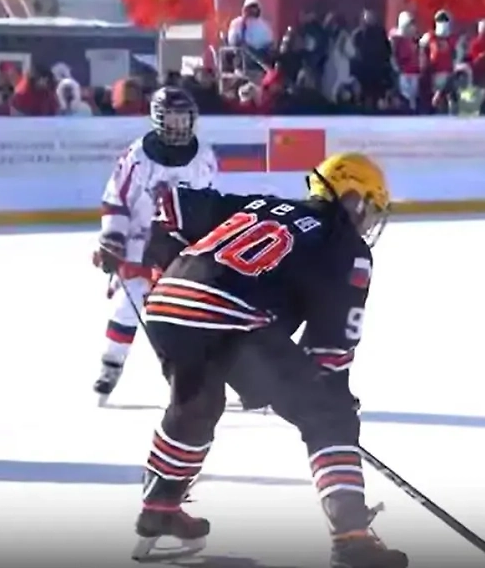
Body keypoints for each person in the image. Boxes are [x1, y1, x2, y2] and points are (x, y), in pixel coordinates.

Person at [128, 152, 403, 568]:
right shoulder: (347, 248)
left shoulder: (264, 205)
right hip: (231, 321)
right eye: (370, 208)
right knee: (329, 415)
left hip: (168, 304)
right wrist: (333, 409)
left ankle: (159, 508)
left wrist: (161, 268)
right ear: (353, 199)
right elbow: (329, 351)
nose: (369, 222)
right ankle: (351, 539)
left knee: (196, 404)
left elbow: (173, 205)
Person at [91, 86, 217, 403]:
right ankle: (111, 364)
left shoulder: (203, 157)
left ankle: (197, 376)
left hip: (179, 247)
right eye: (171, 118)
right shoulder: (137, 157)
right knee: (127, 304)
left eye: (183, 118)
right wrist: (112, 237)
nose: (178, 125)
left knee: (190, 312)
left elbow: (208, 203)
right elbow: (116, 201)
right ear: (158, 119)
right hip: (140, 244)